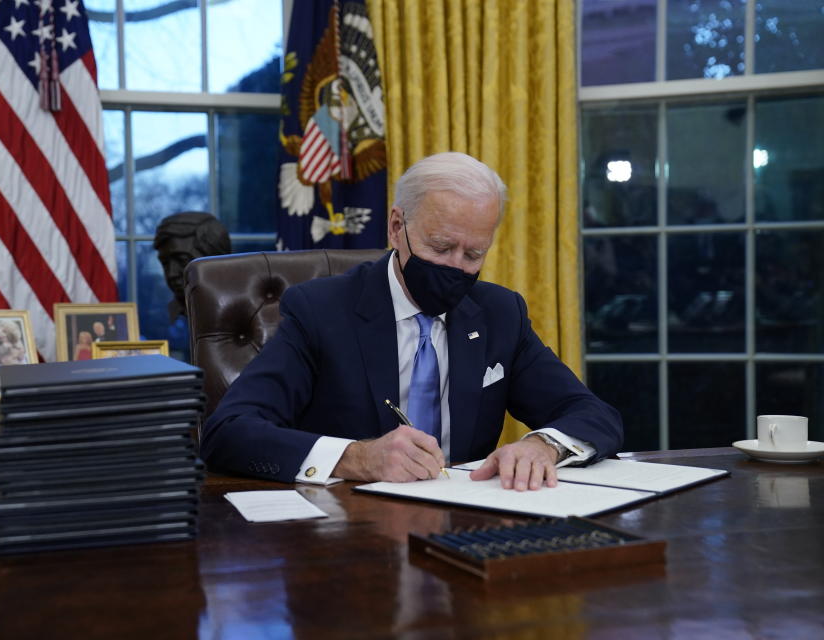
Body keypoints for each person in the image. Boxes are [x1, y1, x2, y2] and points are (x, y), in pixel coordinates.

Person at [201, 152, 623, 491]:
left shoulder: (499, 314)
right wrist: (357, 458)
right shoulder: (320, 311)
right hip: (348, 535)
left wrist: (543, 444)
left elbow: (592, 413)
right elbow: (228, 432)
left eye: (473, 254)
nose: (456, 267)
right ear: (397, 226)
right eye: (440, 247)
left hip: (466, 526)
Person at [153, 212, 232, 322]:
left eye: (182, 260)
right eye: (165, 263)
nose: (171, 274)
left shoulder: (245, 314)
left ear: (215, 261)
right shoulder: (158, 319)